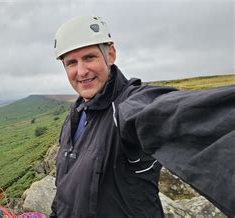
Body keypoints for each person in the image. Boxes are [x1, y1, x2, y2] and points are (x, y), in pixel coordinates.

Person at [50, 16, 234, 217]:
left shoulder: (128, 106)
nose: (81, 71)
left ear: (110, 55)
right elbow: (65, 189)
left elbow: (173, 112)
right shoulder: (73, 117)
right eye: (71, 63)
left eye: (89, 58)